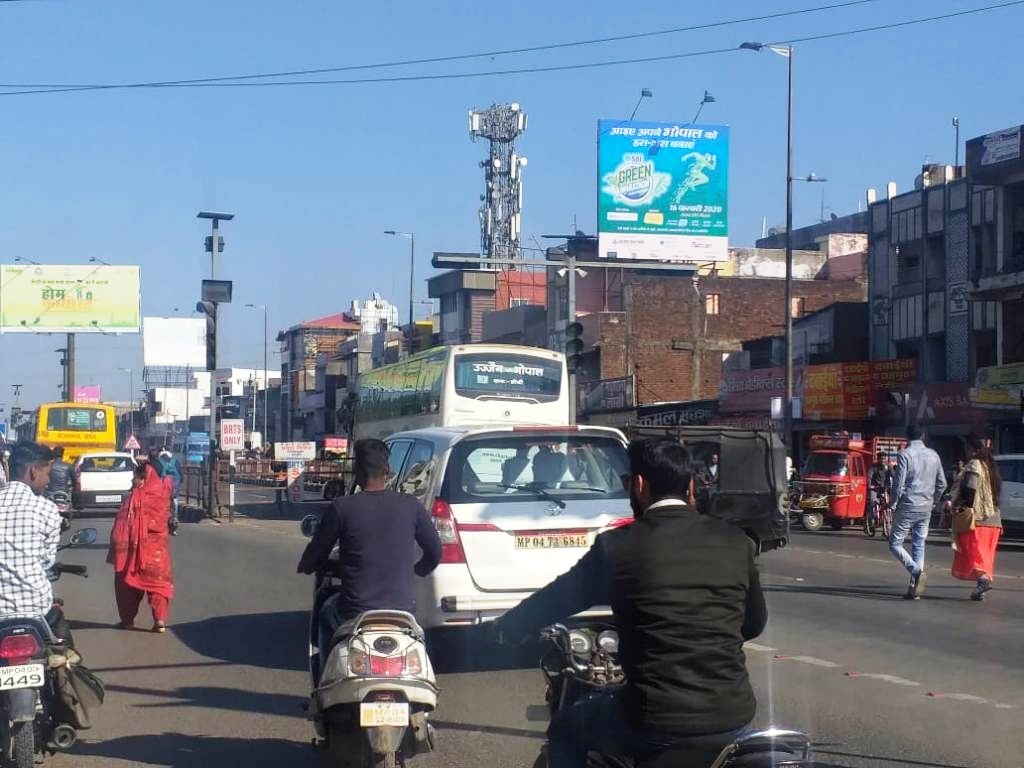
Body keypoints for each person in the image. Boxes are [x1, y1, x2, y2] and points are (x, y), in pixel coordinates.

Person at [489, 438, 767, 768]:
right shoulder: (735, 541)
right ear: (691, 487)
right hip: (733, 715)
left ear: (638, 485)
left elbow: (556, 599)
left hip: (655, 719)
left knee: (565, 729)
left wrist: (507, 627)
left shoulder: (617, 547)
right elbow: (753, 624)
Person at [297, 439, 443, 669]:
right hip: (402, 609)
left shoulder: (342, 507)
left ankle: (322, 680)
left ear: (357, 471)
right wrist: (416, 571)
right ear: (387, 470)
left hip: (354, 611)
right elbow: (435, 551)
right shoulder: (411, 505)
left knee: (325, 611)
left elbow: (315, 553)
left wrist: (307, 564)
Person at [0, 442, 72, 644]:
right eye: (47, 473)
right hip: (36, 608)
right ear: (33, 472)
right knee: (65, 652)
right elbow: (46, 561)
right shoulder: (47, 509)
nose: (48, 481)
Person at [107, 462, 175, 632]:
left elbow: (120, 527)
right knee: (158, 585)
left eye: (135, 478)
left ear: (143, 479)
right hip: (157, 552)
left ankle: (128, 620)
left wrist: (118, 548)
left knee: (127, 584)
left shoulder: (133, 498)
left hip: (134, 551)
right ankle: (160, 621)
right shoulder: (163, 495)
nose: (132, 481)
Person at [889, 424, 947, 600]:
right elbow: (942, 484)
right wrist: (934, 501)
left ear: (907, 437)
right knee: (919, 544)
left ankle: (916, 572)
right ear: (923, 435)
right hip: (926, 507)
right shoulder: (934, 455)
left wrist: (893, 503)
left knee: (895, 544)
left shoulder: (905, 455)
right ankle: (914, 589)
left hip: (908, 505)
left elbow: (898, 484)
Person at [949, 435, 1003, 601]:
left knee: (971, 551)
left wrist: (959, 506)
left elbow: (970, 489)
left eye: (967, 448)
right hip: (994, 520)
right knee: (984, 556)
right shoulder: (990, 466)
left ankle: (982, 580)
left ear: (972, 449)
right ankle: (981, 590)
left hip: (977, 519)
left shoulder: (975, 464)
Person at [158, 448, 183, 535]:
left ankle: (162, 526)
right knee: (175, 506)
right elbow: (181, 476)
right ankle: (174, 525)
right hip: (174, 490)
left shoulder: (159, 463)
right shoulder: (176, 462)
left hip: (163, 490)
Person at [868, 452, 890, 526]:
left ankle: (887, 519)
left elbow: (894, 475)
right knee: (872, 502)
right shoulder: (873, 467)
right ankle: (872, 519)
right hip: (875, 488)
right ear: (878, 459)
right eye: (881, 459)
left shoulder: (888, 467)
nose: (883, 460)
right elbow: (869, 477)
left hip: (884, 488)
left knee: (888, 503)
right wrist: (870, 485)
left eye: (884, 459)